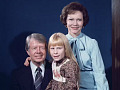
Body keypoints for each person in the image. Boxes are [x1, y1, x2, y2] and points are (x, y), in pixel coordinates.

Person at [60, 2, 109, 90]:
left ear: (83, 22)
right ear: (65, 21)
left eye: (79, 20)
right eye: (71, 19)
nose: (75, 23)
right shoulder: (60, 42)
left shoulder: (91, 43)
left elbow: (99, 72)